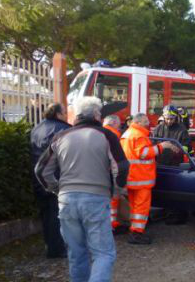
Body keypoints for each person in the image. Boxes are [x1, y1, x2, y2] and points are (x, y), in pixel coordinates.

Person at [35, 97, 130, 282]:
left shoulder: (61, 136)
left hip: (66, 201)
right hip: (96, 198)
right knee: (103, 254)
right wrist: (117, 190)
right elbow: (122, 166)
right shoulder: (106, 135)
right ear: (96, 114)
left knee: (76, 254)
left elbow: (40, 170)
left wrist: (56, 189)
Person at [30, 103, 70, 258]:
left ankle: (50, 246)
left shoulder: (37, 128)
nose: (67, 115)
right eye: (65, 112)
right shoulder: (63, 130)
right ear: (58, 114)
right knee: (58, 216)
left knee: (47, 215)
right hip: (56, 177)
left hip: (38, 177)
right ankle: (58, 249)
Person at [116, 113, 162, 244]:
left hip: (131, 177)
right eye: (146, 121)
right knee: (141, 208)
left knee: (134, 206)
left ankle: (134, 230)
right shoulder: (139, 135)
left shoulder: (127, 134)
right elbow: (143, 153)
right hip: (142, 178)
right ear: (140, 122)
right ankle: (136, 233)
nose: (148, 123)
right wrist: (161, 147)